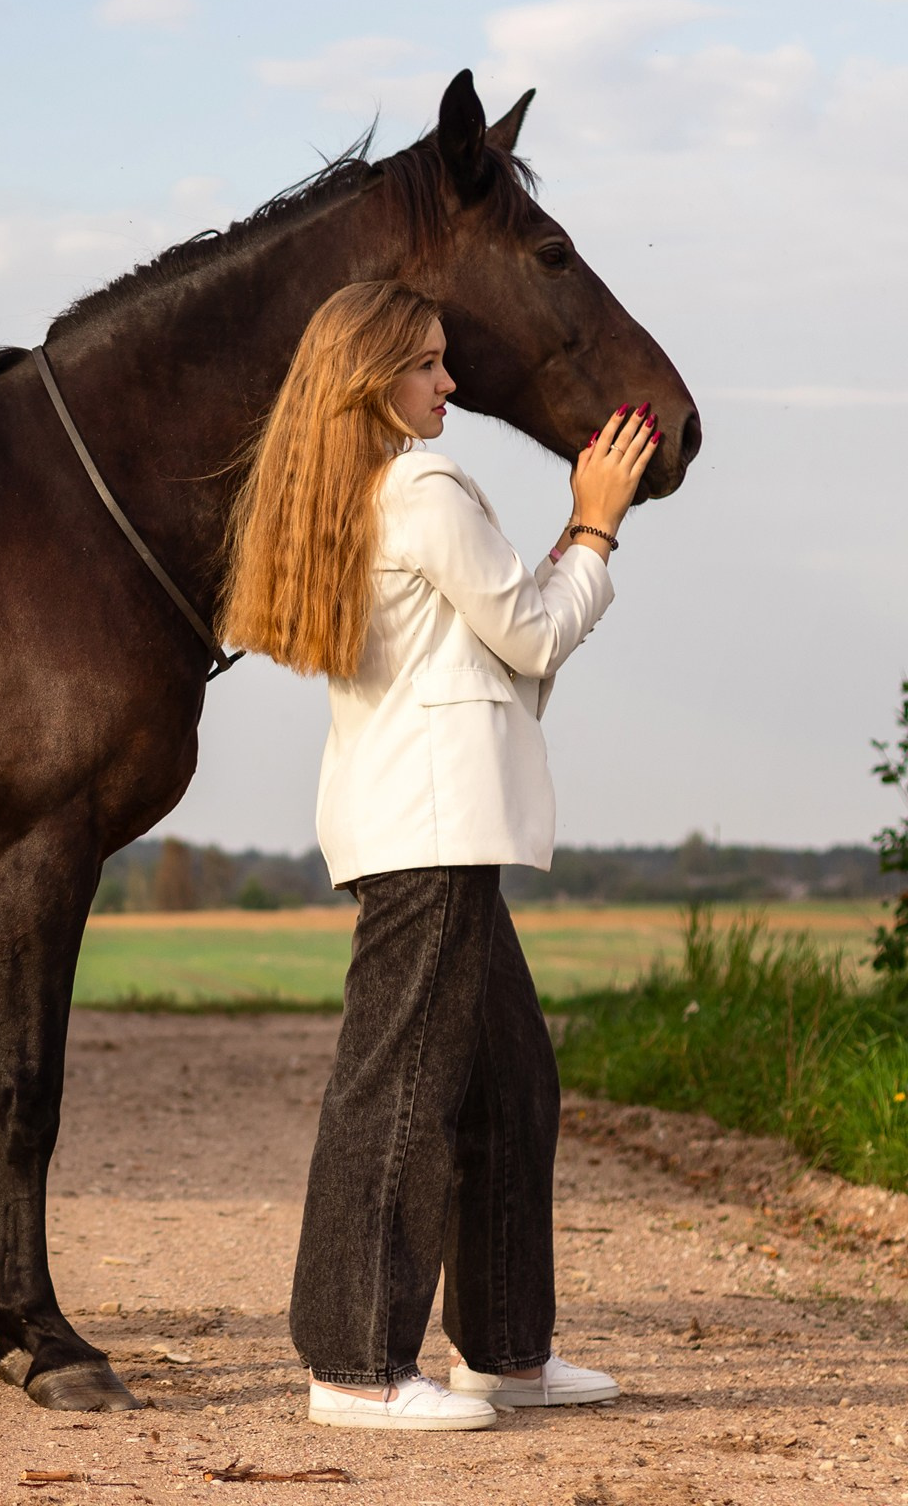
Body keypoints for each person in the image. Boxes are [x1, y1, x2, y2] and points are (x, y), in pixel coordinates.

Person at [220, 279, 658, 1432]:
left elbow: (500, 655)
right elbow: (534, 631)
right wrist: (600, 519)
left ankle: (507, 1350)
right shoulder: (419, 483)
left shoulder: (361, 490)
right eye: (427, 365)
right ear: (374, 383)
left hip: (423, 824)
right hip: (434, 827)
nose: (449, 383)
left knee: (511, 1083)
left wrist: (570, 542)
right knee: (402, 1087)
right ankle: (356, 1366)